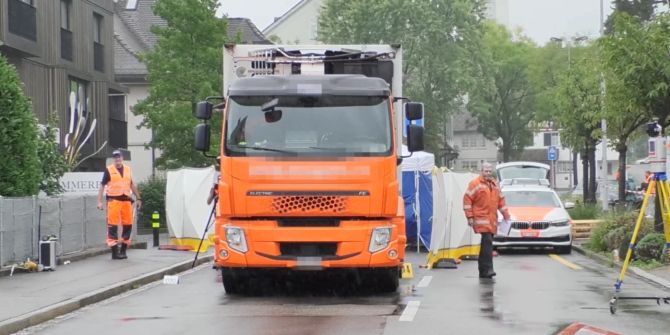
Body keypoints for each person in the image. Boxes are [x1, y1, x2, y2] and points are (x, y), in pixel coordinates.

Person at [463, 162, 510, 279]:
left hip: (491, 220)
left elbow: (501, 202)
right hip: (481, 219)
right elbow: (467, 200)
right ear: (481, 171)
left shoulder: (495, 185)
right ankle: (488, 269)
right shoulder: (475, 184)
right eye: (486, 171)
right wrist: (470, 217)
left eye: (489, 171)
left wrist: (506, 216)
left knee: (486, 245)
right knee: (487, 242)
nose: (488, 173)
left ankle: (483, 271)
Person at [97, 150, 142, 260]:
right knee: (112, 226)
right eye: (115, 157)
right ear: (113, 159)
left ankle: (123, 251)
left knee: (128, 225)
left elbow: (131, 185)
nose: (117, 159)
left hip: (126, 201)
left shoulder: (128, 169)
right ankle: (114, 252)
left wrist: (139, 198)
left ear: (122, 158)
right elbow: (102, 186)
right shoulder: (109, 170)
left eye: (119, 157)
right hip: (114, 201)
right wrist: (99, 201)